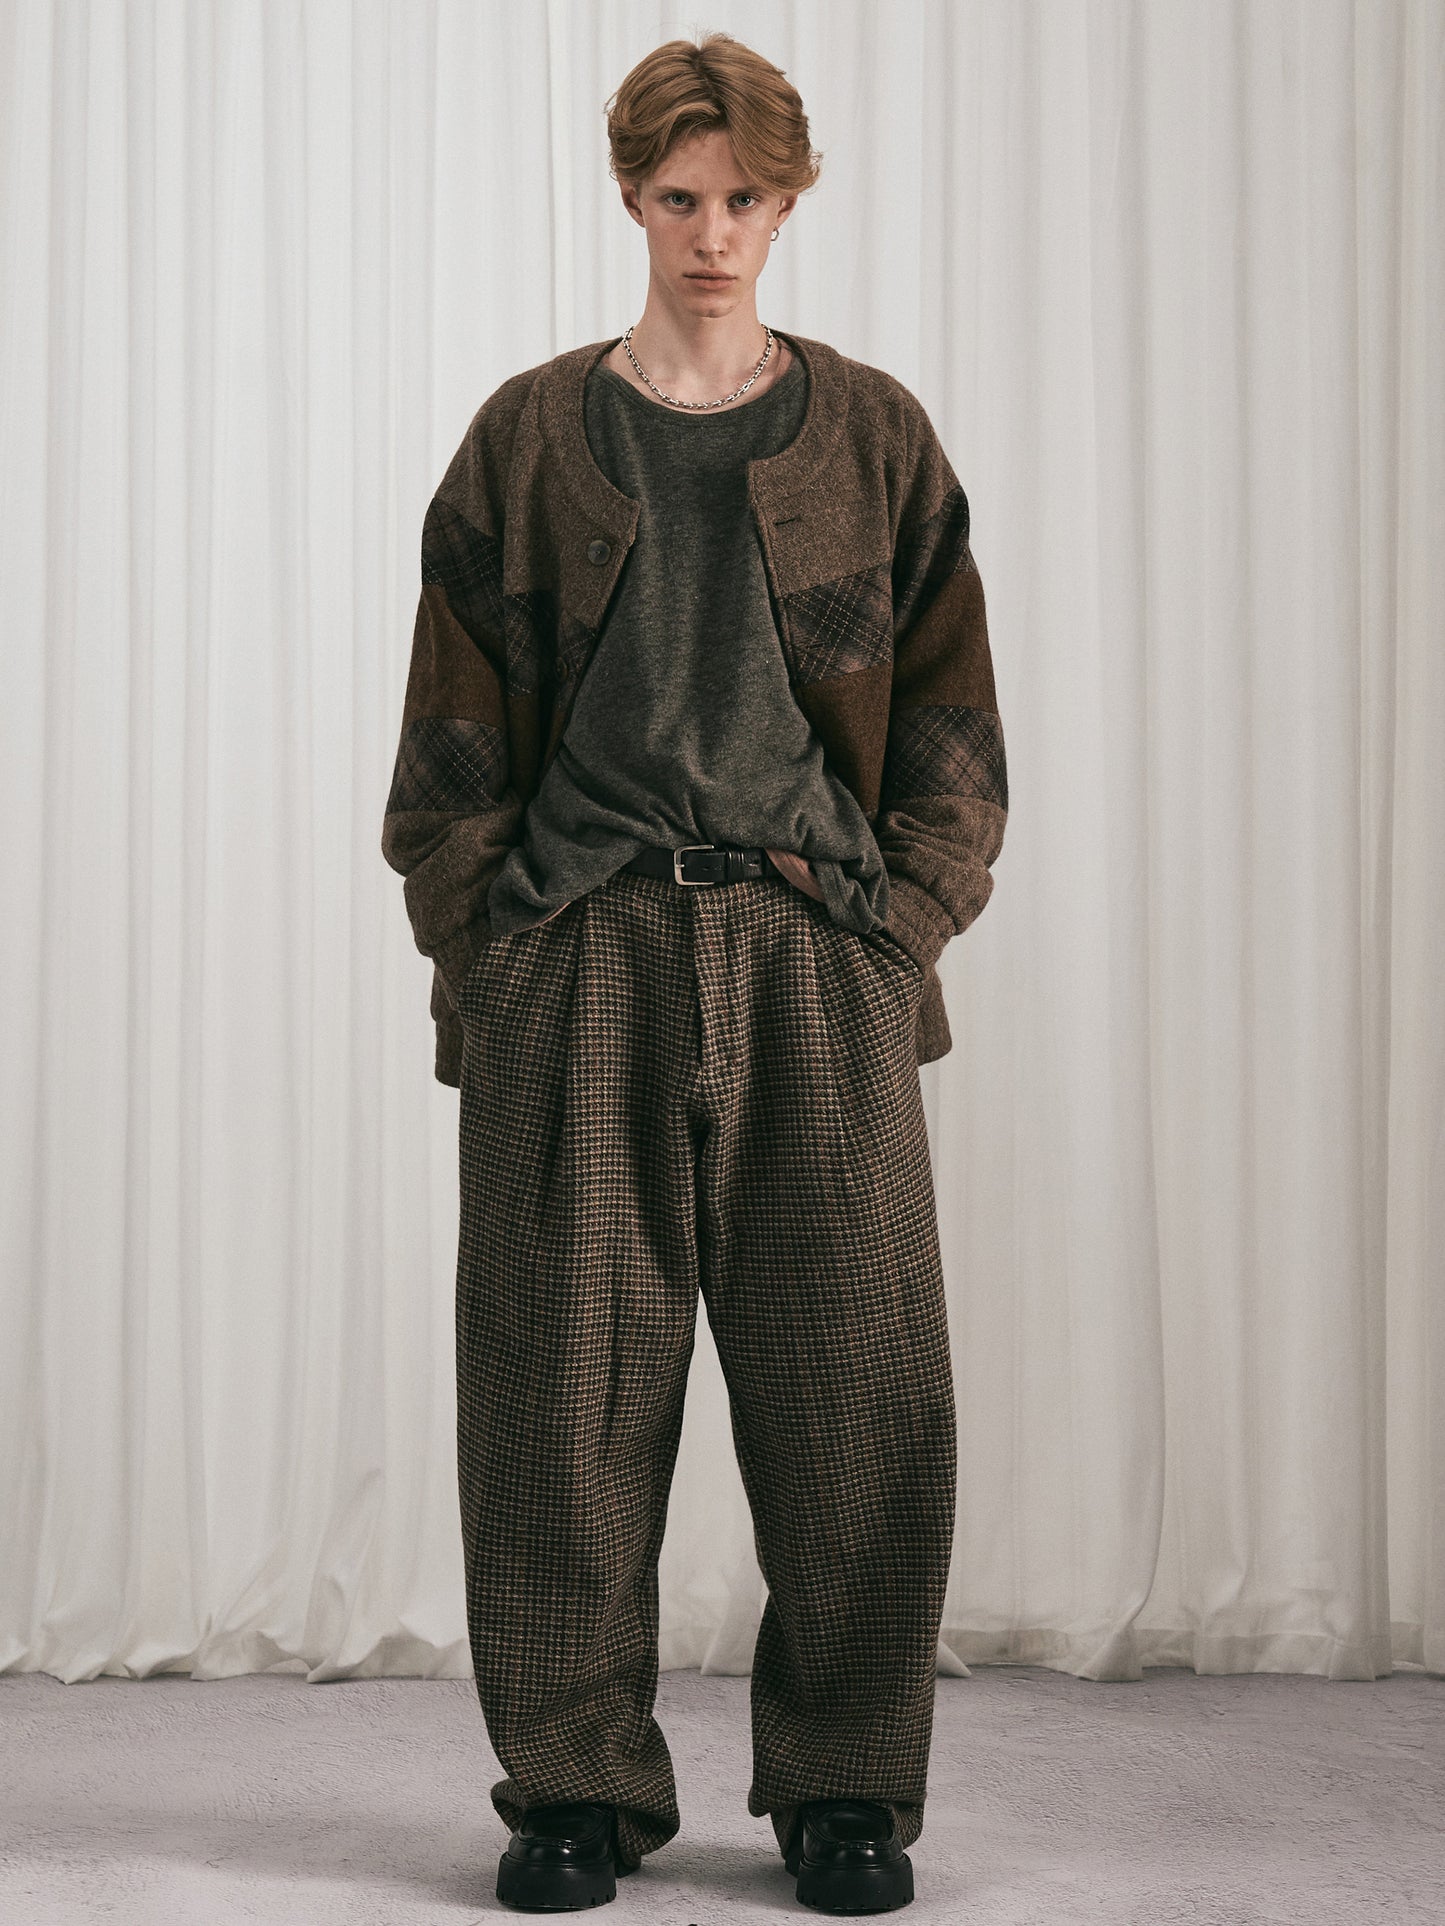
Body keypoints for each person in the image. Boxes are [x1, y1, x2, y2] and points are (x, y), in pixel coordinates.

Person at [381, 30, 1007, 1916]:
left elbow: (953, 732)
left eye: (743, 198)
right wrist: (492, 944)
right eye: (678, 197)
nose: (710, 234)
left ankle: (846, 1791)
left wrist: (899, 924)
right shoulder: (528, 437)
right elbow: (446, 749)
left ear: (789, 202)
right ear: (628, 198)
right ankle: (571, 1789)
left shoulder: (872, 436)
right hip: (582, 949)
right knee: (559, 1391)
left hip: (819, 954)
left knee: (859, 1392)